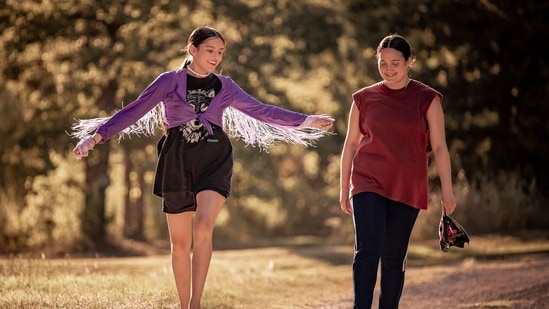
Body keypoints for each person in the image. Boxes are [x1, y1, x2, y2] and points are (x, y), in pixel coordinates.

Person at [72, 26, 334, 309]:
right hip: (177, 161)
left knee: (204, 228)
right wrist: (96, 136)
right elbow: (135, 109)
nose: (216, 57)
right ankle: (185, 305)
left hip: (214, 160)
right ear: (192, 49)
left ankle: (196, 304)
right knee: (180, 245)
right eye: (210, 50)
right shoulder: (169, 81)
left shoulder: (226, 86)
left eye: (220, 52)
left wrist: (306, 120)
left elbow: (262, 110)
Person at [339, 34, 457, 308]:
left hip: (408, 184)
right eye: (383, 64)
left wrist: (448, 191)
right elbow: (351, 144)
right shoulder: (363, 98)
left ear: (409, 62)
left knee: (393, 256)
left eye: (395, 63)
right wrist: (344, 188)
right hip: (367, 181)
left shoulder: (427, 99)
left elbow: (439, 147)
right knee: (367, 250)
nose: (389, 69)